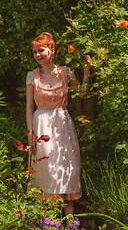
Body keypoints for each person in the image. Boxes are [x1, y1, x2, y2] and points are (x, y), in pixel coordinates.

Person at [26, 32, 90, 224]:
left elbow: (82, 92)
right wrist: (30, 133)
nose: (38, 55)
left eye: (41, 50)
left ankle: (69, 226)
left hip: (63, 126)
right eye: (35, 52)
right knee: (46, 172)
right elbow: (29, 106)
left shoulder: (65, 72)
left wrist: (86, 72)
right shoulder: (32, 76)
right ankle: (47, 224)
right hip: (41, 126)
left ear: (51, 50)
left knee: (66, 170)